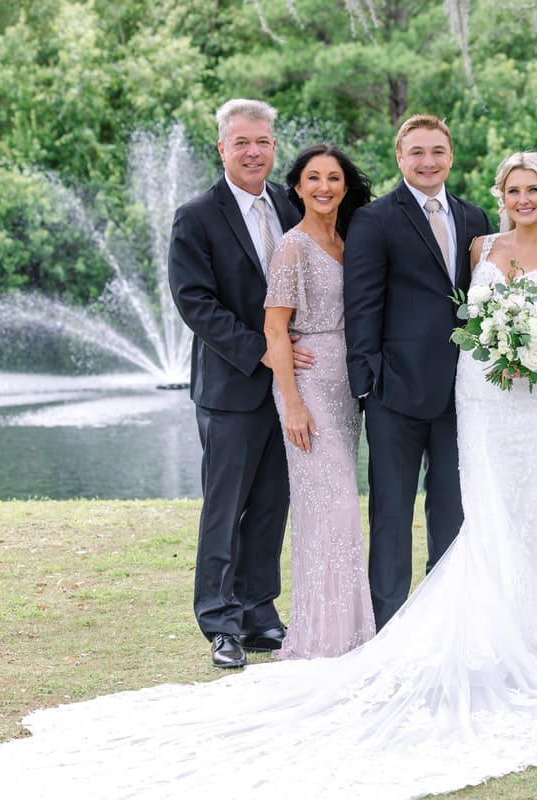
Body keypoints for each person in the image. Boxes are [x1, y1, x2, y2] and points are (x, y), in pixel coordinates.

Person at [0, 151, 537, 797]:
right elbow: (361, 306)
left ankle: (536, 624)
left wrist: (531, 352)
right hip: (463, 390)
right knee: (449, 510)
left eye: (532, 190)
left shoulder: (506, 236)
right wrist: (365, 380)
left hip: (526, 394)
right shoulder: (460, 241)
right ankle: (318, 622)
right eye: (511, 189)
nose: (520, 199)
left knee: (527, 508)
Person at [343, 114, 493, 630]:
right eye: (417, 152)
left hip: (463, 393)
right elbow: (361, 303)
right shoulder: (374, 218)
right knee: (391, 515)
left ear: (450, 155)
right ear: (400, 158)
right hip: (395, 392)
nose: (428, 161)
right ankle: (388, 624)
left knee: (452, 514)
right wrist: (368, 381)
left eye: (437, 151)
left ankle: (444, 622)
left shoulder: (474, 217)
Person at [168, 98, 303, 669]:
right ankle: (219, 623)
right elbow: (194, 302)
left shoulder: (290, 203)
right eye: (242, 142)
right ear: (222, 147)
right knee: (226, 508)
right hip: (234, 386)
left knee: (272, 503)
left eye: (263, 141)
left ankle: (258, 615)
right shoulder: (197, 215)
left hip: (291, 388)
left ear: (274, 147)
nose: (254, 151)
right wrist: (265, 353)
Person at [262, 144, 375, 659]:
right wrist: (293, 405)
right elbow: (275, 329)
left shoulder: (349, 241)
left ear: (345, 187)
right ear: (298, 187)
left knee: (339, 509)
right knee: (330, 511)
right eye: (314, 178)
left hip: (345, 388)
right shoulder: (293, 247)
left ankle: (349, 630)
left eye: (333, 178)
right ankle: (324, 638)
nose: (324, 187)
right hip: (309, 389)